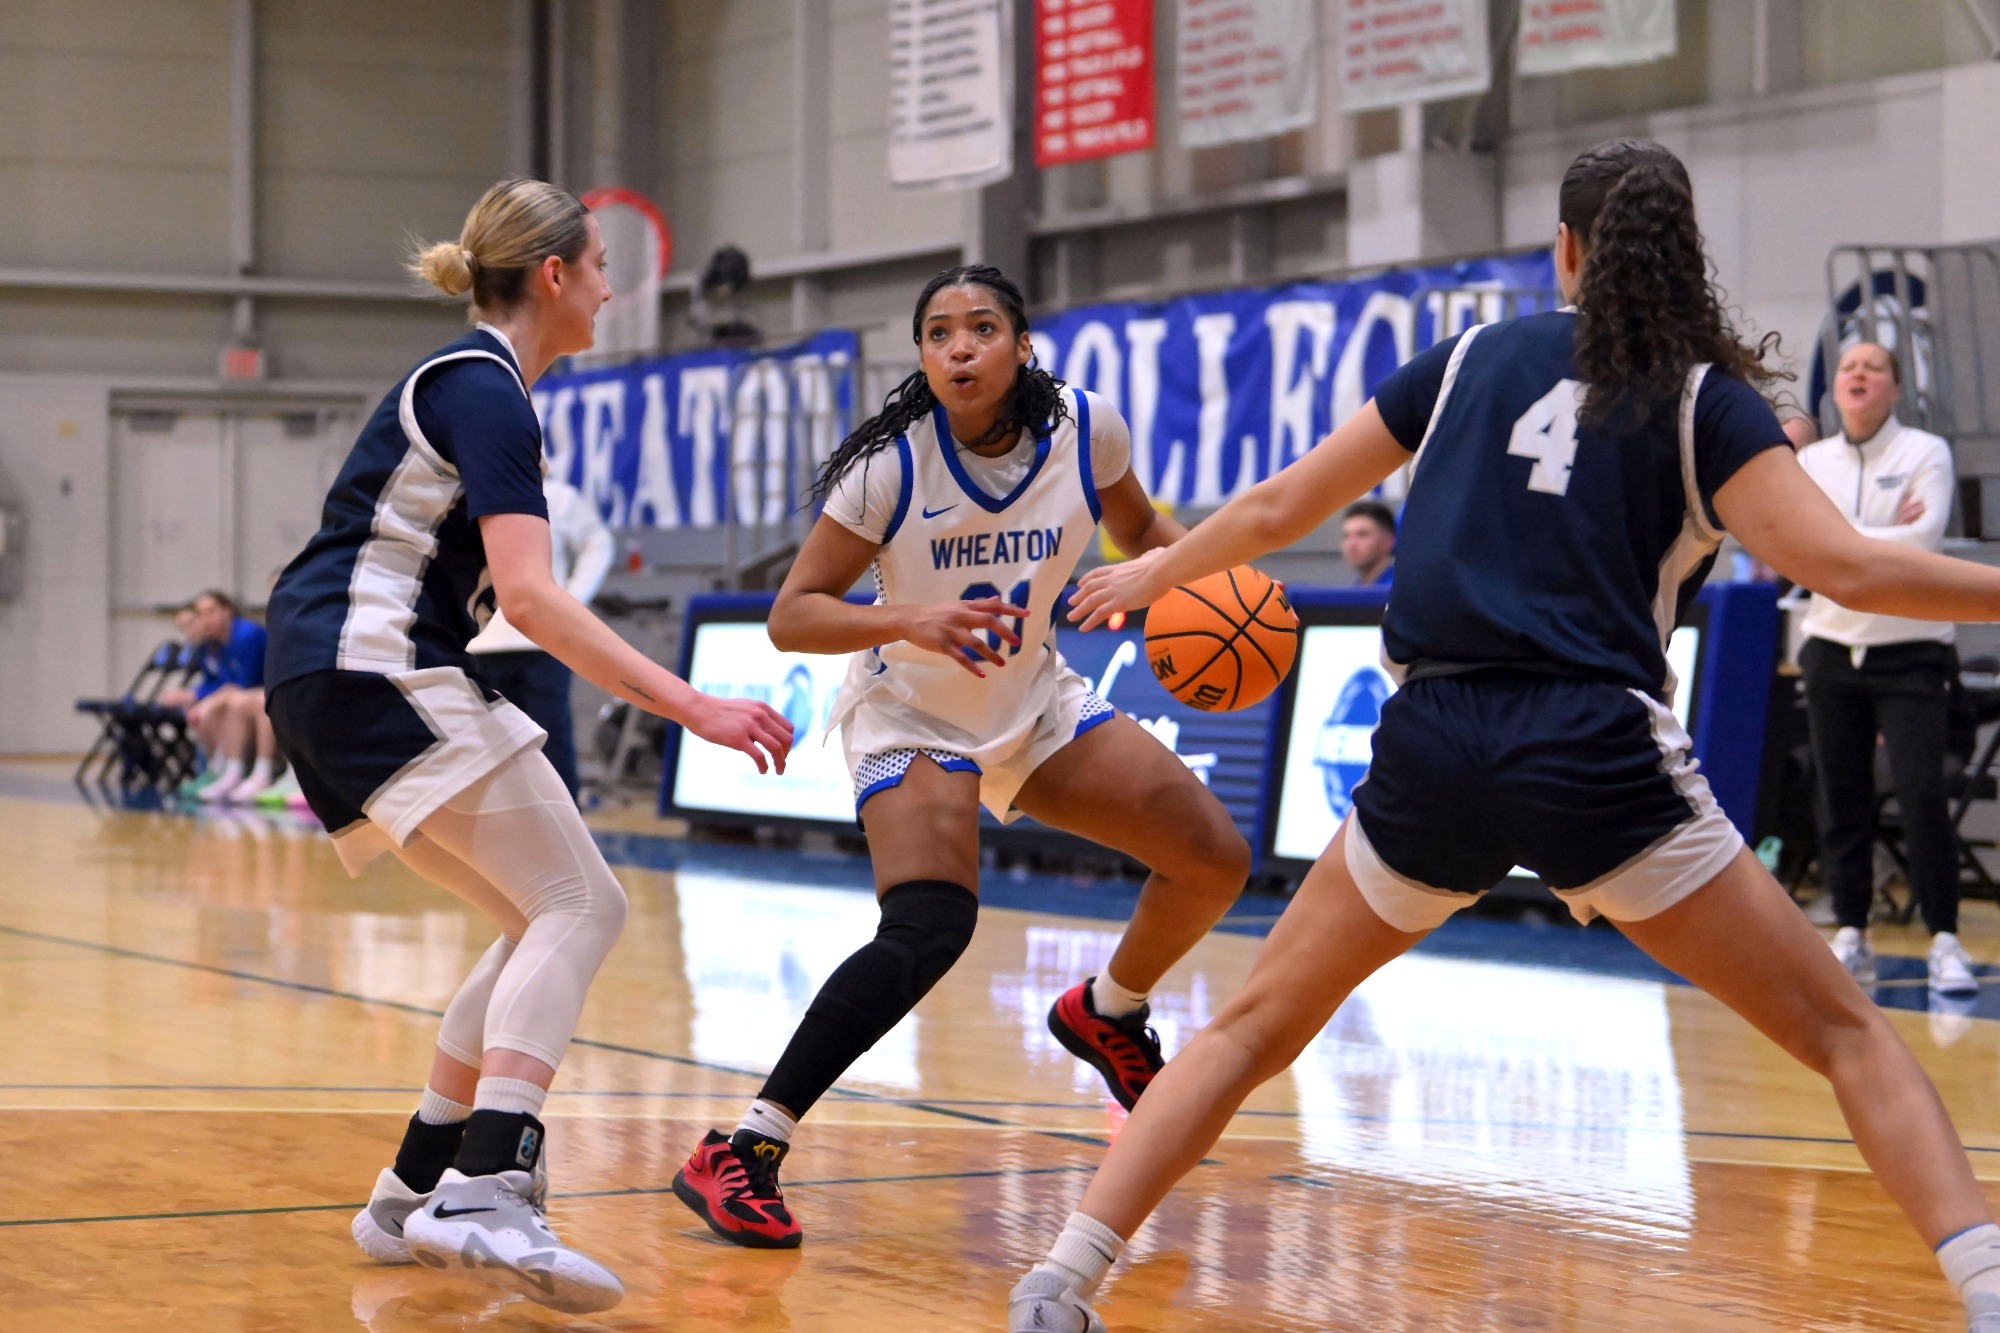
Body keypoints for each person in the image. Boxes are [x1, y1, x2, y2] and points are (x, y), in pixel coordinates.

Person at [1008, 139, 2000, 1333]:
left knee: (1248, 1028)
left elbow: (1277, 507)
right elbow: (1841, 565)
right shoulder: (1702, 400)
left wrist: (1156, 569)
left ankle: (1060, 1278)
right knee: (1845, 1034)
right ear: (1681, 255)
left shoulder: (1467, 355)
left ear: (1565, 251)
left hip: (1435, 741)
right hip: (1594, 756)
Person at [262, 178, 793, 1313]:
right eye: (599, 266)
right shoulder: (486, 390)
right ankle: (487, 1182)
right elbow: (533, 599)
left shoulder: (473, 387)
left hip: (330, 672)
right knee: (582, 905)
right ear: (552, 275)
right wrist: (693, 706)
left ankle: (408, 1191)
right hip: (374, 666)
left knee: (533, 913)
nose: (609, 290)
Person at [669, 264, 1250, 1250]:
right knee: (931, 922)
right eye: (938, 334)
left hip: (1028, 700)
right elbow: (791, 614)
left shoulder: (1082, 426)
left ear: (1020, 345)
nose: (959, 347)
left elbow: (1140, 529)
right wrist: (912, 617)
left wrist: (1199, 581)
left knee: (1212, 858)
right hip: (912, 714)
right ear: (925, 360)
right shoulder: (889, 465)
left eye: (981, 327)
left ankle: (1106, 1011)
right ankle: (743, 1147)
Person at [1795, 342, 1973, 994]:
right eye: (1848, 367)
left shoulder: (1926, 452)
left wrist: (1842, 537)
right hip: (1831, 648)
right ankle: (1852, 932)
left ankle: (1945, 938)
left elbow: (1922, 545)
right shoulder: (1811, 461)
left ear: (1894, 387)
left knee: (1923, 794)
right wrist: (1868, 540)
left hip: (1912, 651)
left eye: (1873, 366)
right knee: (1839, 795)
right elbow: (1805, 551)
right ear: (1836, 388)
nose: (1859, 374)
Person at [466, 470, 614, 799]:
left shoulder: (556, 498)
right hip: (480, 643)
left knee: (549, 734)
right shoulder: (470, 497)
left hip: (542, 640)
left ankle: (566, 815)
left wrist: (569, 601)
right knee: (490, 742)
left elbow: (598, 543)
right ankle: (501, 820)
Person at [161, 590, 271, 801]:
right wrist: (192, 695)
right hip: (244, 695)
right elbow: (216, 681)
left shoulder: (246, 635)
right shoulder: (210, 644)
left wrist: (206, 700)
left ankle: (242, 771)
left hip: (263, 692)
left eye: (211, 611)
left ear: (227, 610)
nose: (206, 619)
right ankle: (219, 768)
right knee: (200, 708)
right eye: (201, 614)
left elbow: (243, 683)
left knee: (224, 705)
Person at [1340, 500, 1396, 586]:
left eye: (1362, 534)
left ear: (1387, 541)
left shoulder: (1400, 590)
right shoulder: (1356, 589)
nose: (1352, 544)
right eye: (1346, 536)